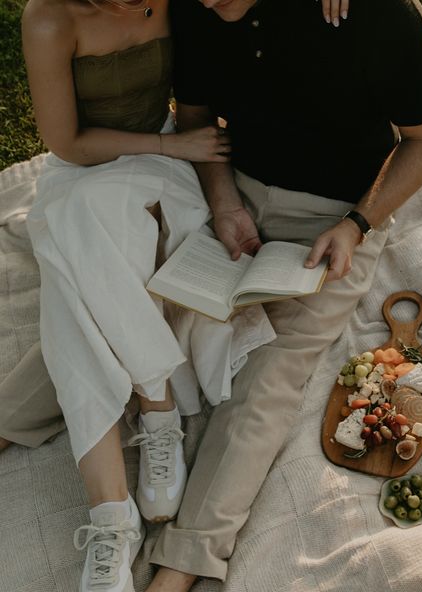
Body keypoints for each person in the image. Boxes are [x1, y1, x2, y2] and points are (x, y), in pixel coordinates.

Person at [16, 1, 348, 592]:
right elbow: (66, 143)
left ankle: (111, 515)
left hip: (168, 161)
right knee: (79, 226)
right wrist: (175, 147)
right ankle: (153, 424)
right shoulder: (49, 19)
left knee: (75, 270)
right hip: (97, 163)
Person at [140, 1, 422, 591]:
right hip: (231, 191)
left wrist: (358, 225)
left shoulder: (377, 13)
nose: (207, 3)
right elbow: (195, 113)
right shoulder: (198, 5)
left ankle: (184, 561)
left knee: (271, 374)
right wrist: (224, 200)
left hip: (336, 218)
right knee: (129, 304)